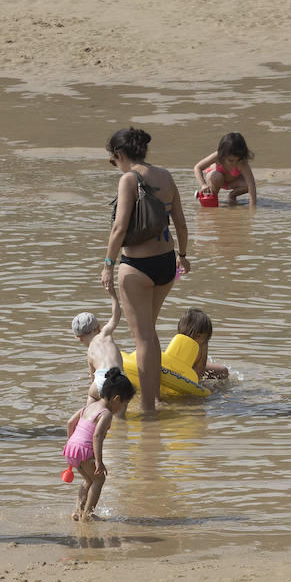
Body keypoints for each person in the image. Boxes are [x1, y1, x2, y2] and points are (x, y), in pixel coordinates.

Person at [101, 127, 191, 413]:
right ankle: (156, 398)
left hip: (136, 267)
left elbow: (120, 227)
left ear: (120, 154)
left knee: (142, 339)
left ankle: (149, 409)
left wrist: (108, 264)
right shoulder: (165, 176)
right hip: (166, 263)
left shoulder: (129, 179)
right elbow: (180, 222)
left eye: (113, 160)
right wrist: (183, 255)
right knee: (150, 334)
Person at [62, 369, 136, 521]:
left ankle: (78, 512)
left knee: (88, 480)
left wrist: (71, 443)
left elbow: (70, 423)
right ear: (116, 399)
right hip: (85, 450)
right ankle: (87, 515)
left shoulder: (89, 407)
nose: (122, 408)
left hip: (72, 449)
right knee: (99, 479)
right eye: (124, 404)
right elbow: (97, 436)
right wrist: (99, 461)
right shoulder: (106, 413)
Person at [72, 284, 123, 405]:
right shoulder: (105, 334)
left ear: (79, 338)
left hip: (102, 381)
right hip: (121, 380)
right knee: (121, 418)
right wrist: (113, 295)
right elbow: (116, 316)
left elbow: (94, 379)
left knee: (92, 405)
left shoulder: (90, 353)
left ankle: (88, 419)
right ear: (99, 328)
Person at [193, 132, 257, 206]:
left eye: (238, 160)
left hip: (232, 182)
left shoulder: (242, 163)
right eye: (231, 160)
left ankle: (232, 195)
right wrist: (203, 185)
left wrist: (253, 208)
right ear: (222, 154)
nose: (234, 163)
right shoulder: (217, 156)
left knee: (247, 185)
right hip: (215, 180)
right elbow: (197, 167)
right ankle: (213, 198)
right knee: (216, 176)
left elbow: (251, 185)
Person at [176, 307, 228, 379]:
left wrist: (194, 383)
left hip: (194, 369)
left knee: (223, 371)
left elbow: (200, 368)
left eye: (202, 337)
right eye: (196, 336)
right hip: (177, 368)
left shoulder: (203, 345)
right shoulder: (179, 341)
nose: (196, 340)